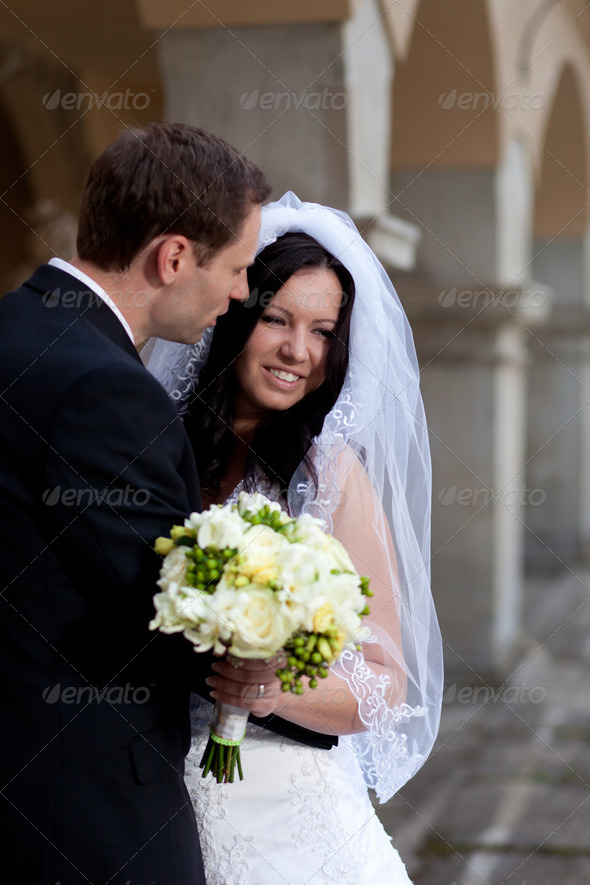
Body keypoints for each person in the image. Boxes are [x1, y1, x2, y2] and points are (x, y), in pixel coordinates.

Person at [0, 121, 281, 885]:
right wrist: (263, 637)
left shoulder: (12, 329)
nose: (236, 294)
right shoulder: (107, 388)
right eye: (236, 269)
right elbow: (161, 611)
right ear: (173, 256)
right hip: (80, 811)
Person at [147, 192, 444, 884]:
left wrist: (269, 689)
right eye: (277, 319)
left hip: (296, 816)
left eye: (321, 331)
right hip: (160, 797)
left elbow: (384, 682)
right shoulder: (159, 448)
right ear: (237, 315)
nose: (297, 351)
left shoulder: (332, 473)